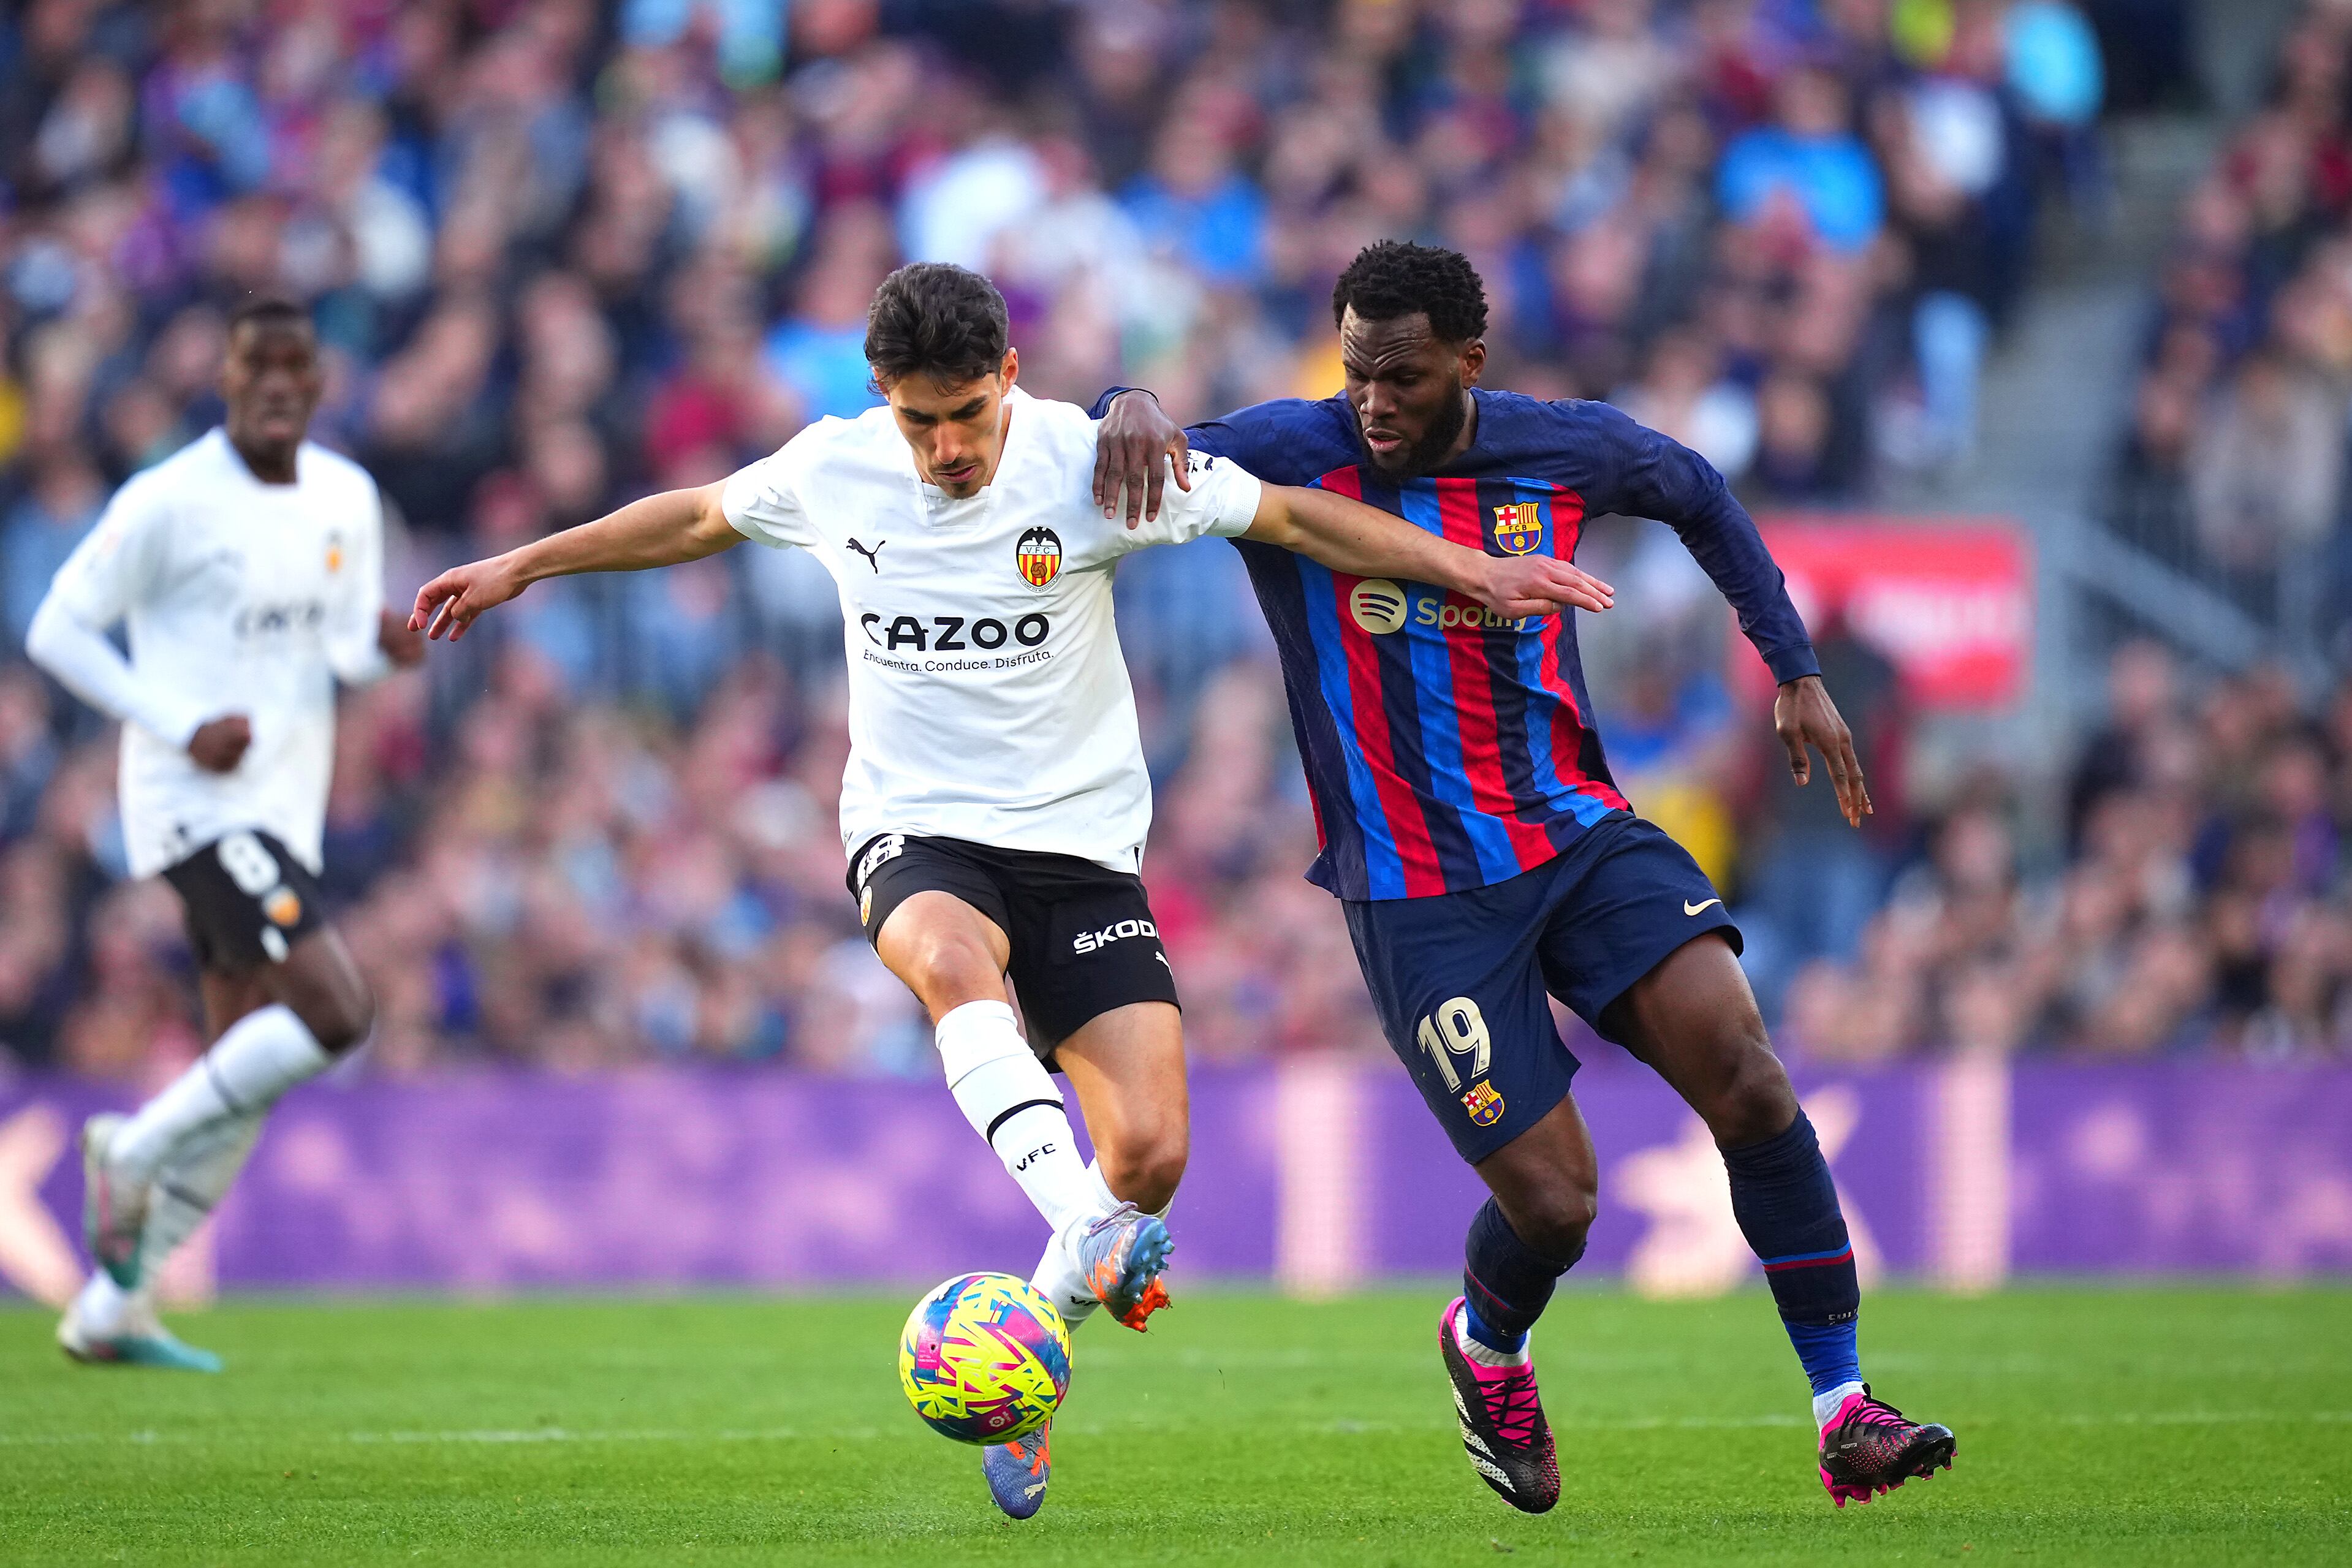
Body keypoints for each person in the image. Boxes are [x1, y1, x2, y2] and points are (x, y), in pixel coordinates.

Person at [408, 262, 1610, 1520]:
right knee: (944, 963)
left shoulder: (1092, 467)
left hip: (1081, 849)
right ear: (883, 399)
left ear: (1010, 383)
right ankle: (1076, 1226)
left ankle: (1024, 1364)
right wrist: (522, 566)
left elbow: (1296, 520)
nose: (944, 447)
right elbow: (697, 516)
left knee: (1146, 1151)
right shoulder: (835, 467)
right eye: (919, 420)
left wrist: (1466, 572)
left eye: (966, 415)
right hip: (917, 829)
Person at [1091, 241, 1956, 1512]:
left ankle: (1842, 1406)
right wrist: (1131, 397)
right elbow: (1143, 446)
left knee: (1748, 1071)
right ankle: (1485, 1342)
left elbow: (1701, 493)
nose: (1372, 400)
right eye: (1355, 371)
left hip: (1576, 835)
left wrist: (1793, 665)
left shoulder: (1558, 447)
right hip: (1416, 893)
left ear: (1466, 364)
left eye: (1401, 375)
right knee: (1555, 1203)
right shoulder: (1291, 447)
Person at [27, 297, 425, 1371]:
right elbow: (55, 626)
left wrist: (381, 649)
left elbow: (335, 646)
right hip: (193, 804)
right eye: (260, 369)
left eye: (299, 368)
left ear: (320, 383)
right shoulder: (169, 501)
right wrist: (177, 724)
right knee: (338, 1011)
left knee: (246, 1059)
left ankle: (115, 1302)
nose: (281, 386)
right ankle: (131, 1145)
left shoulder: (345, 494)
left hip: (283, 805)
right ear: (228, 379)